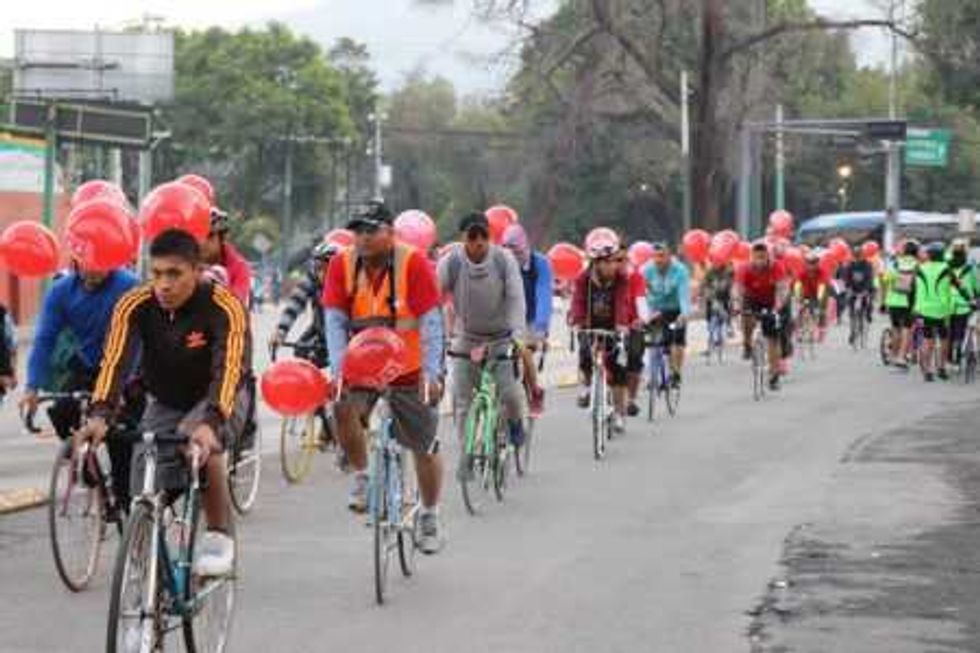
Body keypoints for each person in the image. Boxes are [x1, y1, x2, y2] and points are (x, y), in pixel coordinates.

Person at [78, 229, 250, 576]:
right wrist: (100, 414)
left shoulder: (224, 305)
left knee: (201, 447)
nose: (164, 285)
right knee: (144, 475)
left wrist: (210, 421)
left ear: (198, 270)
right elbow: (114, 362)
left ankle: (218, 536)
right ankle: (152, 568)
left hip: (220, 396)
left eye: (175, 274)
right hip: (166, 399)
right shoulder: (135, 304)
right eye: (156, 274)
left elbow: (230, 369)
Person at [322, 201, 446, 554]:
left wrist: (432, 374)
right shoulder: (340, 264)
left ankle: (430, 514)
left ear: (391, 233)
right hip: (362, 364)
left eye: (370, 230)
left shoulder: (414, 263)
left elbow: (432, 323)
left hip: (409, 366)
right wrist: (338, 369)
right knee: (341, 407)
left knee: (424, 443)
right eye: (357, 230)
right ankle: (362, 476)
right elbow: (334, 320)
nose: (361, 238)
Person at [20, 260, 140, 514]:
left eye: (100, 262)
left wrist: (124, 386)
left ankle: (125, 505)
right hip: (87, 366)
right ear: (76, 260)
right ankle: (87, 463)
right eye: (87, 264)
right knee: (62, 410)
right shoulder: (61, 290)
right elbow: (44, 339)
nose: (93, 270)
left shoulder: (129, 285)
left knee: (121, 444)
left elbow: (140, 338)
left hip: (125, 369)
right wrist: (32, 387)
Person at [441, 213, 529, 468]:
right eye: (472, 236)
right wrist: (438, 339)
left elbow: (515, 299)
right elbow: (433, 299)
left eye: (484, 236)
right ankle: (466, 452)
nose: (478, 242)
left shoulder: (504, 260)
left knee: (510, 393)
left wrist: (517, 337)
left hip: (501, 338)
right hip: (466, 338)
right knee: (460, 398)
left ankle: (514, 425)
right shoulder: (451, 263)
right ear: (462, 239)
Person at [569, 232, 633, 432]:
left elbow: (623, 303)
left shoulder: (622, 278)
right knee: (586, 357)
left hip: (614, 326)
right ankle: (589, 388)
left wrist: (622, 325)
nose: (611, 266)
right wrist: (578, 322)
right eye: (606, 262)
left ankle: (620, 413)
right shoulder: (583, 279)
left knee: (618, 370)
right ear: (595, 263)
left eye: (613, 261)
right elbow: (578, 302)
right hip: (590, 324)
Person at [500, 223, 550, 414]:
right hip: (504, 316)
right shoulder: (499, 262)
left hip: (531, 318)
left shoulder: (540, 264)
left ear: (526, 247)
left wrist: (541, 328)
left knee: (525, 351)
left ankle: (535, 390)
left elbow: (543, 295)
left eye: (519, 253)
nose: (515, 258)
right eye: (509, 253)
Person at [270, 240, 342, 368]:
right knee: (301, 353)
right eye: (318, 267)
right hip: (321, 331)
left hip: (346, 333)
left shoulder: (351, 280)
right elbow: (294, 304)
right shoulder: (311, 278)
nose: (322, 274)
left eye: (328, 268)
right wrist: (281, 331)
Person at [733, 241, 790, 390]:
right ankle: (747, 344)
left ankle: (774, 375)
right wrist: (737, 306)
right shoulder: (744, 268)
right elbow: (737, 289)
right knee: (746, 318)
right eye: (757, 257)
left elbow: (782, 289)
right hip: (752, 300)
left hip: (773, 301)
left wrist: (777, 308)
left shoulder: (777, 267)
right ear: (751, 257)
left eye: (763, 257)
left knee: (773, 338)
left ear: (768, 257)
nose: (760, 261)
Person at [639, 242, 692, 388]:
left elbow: (684, 295)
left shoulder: (680, 270)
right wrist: (642, 314)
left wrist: (684, 314)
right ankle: (652, 377)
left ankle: (676, 373)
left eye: (662, 256)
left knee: (677, 341)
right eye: (655, 256)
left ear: (670, 256)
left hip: (676, 309)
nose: (658, 260)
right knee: (653, 344)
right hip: (655, 309)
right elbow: (639, 294)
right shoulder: (646, 270)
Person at [913, 241, 953, 382]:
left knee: (927, 340)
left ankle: (928, 371)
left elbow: (914, 289)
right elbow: (958, 286)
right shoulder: (947, 268)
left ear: (929, 255)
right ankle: (942, 368)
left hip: (923, 309)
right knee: (944, 339)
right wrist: (970, 298)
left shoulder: (919, 269)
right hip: (943, 310)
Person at [201, 208, 253, 308]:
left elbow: (236, 304)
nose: (203, 242)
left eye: (209, 236)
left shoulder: (239, 267)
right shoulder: (186, 262)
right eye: (198, 235)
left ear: (222, 238)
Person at [880, 239, 920, 368]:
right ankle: (901, 357)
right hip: (910, 301)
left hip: (893, 301)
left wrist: (883, 301)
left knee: (896, 328)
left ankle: (893, 355)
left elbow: (885, 281)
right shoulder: (919, 265)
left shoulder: (895, 263)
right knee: (906, 329)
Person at [946, 239, 977, 366]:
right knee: (961, 331)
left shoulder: (946, 266)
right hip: (964, 303)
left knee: (949, 332)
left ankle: (948, 358)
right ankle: (958, 358)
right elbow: (976, 285)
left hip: (948, 303)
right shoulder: (970, 267)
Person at [840, 245, 876, 345]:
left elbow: (869, 279)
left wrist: (866, 290)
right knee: (852, 312)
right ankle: (852, 331)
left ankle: (868, 314)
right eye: (855, 256)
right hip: (853, 290)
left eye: (859, 255)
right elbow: (846, 278)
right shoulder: (850, 265)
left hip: (865, 289)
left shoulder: (868, 265)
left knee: (867, 304)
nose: (857, 258)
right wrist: (848, 288)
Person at [794, 252, 830, 341]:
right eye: (809, 263)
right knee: (800, 311)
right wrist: (798, 298)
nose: (811, 265)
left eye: (814, 263)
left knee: (821, 311)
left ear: (817, 263)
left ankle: (822, 330)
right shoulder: (802, 272)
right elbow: (797, 284)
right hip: (806, 294)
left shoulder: (822, 272)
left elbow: (822, 286)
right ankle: (799, 330)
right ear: (806, 263)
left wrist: (819, 299)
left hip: (820, 293)